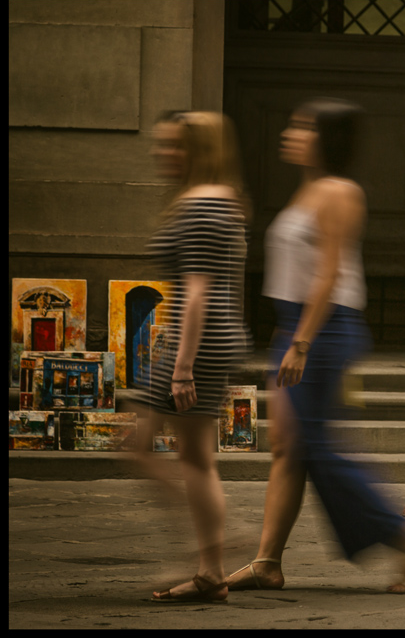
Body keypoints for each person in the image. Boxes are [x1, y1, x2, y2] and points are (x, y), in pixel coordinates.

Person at [225, 97, 405, 595]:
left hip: (324, 328)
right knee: (287, 448)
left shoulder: (340, 192)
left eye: (302, 127)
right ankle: (267, 562)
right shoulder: (308, 191)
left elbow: (328, 274)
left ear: (326, 139)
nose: (290, 133)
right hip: (296, 326)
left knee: (315, 445)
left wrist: (300, 343)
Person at [139, 111, 251, 602]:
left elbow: (199, 292)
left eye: (175, 147)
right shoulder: (213, 200)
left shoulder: (204, 205)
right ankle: (211, 560)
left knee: (179, 456)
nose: (165, 156)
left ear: (200, 152)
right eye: (162, 146)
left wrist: (183, 368)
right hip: (200, 338)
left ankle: (214, 555)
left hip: (198, 345)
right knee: (186, 456)